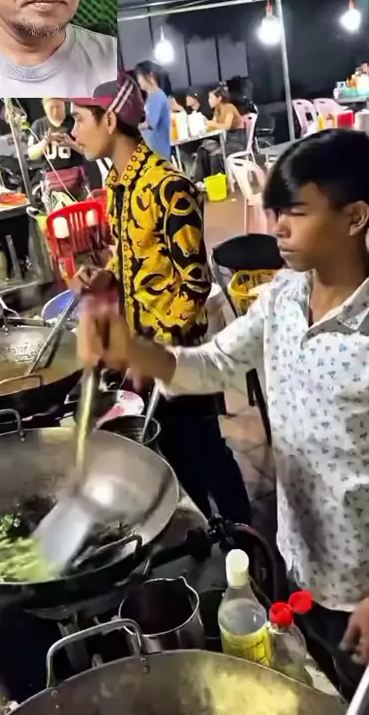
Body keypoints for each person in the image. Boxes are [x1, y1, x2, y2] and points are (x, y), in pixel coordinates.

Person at [79, 128, 369, 712]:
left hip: (365, 579)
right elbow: (215, 364)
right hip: (298, 547)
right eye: (275, 210)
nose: (276, 227)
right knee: (321, 674)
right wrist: (131, 349)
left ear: (355, 217)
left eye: (296, 212)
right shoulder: (285, 296)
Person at [70, 73, 251, 524]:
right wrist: (105, 275)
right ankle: (208, 535)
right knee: (174, 455)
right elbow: (132, 257)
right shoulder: (119, 186)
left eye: (79, 119)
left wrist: (154, 351)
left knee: (207, 452)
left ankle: (245, 542)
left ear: (109, 120)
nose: (74, 132)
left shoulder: (169, 187)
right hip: (143, 351)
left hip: (178, 355)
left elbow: (195, 286)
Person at [27, 97, 102, 212]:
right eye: (51, 108)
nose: (55, 111)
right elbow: (32, 154)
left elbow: (89, 150)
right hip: (52, 181)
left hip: (77, 179)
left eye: (58, 107)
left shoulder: (74, 123)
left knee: (82, 212)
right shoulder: (39, 125)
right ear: (44, 108)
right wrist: (45, 142)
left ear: (64, 105)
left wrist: (71, 144)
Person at [194, 84, 246, 183]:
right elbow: (213, 127)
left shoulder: (229, 107)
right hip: (224, 140)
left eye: (211, 98)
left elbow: (226, 126)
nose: (209, 100)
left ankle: (219, 182)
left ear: (219, 98)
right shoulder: (217, 110)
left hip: (237, 140)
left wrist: (212, 124)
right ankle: (200, 181)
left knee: (216, 154)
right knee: (203, 150)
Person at [135, 61, 172, 159]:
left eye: (139, 76)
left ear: (150, 76)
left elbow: (150, 124)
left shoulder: (157, 96)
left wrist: (132, 127)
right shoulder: (152, 97)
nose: (138, 80)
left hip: (158, 153)